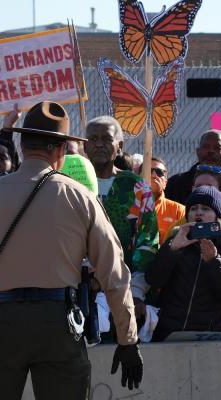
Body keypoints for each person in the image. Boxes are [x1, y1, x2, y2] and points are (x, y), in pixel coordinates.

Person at [0, 101, 142, 400]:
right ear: (61, 150)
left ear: (21, 145)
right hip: (58, 324)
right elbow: (114, 276)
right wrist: (127, 340)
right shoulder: (80, 198)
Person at [84, 115, 158, 324]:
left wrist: (137, 291)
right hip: (81, 290)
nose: (99, 144)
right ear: (84, 145)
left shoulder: (136, 187)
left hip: (126, 293)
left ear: (119, 145)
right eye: (93, 139)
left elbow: (148, 241)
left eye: (106, 139)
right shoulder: (72, 185)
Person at [146, 186, 221, 341]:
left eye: (205, 209)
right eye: (193, 209)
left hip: (208, 336)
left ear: (217, 217)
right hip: (168, 333)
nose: (198, 212)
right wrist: (172, 250)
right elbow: (153, 280)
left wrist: (213, 261)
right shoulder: (175, 241)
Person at [165, 130, 221, 216]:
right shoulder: (175, 184)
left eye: (217, 148)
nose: (210, 151)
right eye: (206, 147)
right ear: (198, 151)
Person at [151, 157, 185, 244]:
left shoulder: (179, 210)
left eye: (159, 172)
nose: (154, 175)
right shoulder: (128, 207)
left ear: (165, 183)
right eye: (149, 171)